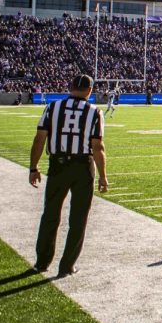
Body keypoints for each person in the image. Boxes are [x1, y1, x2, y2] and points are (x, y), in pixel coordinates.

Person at [29, 74, 107, 278]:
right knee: (78, 218)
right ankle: (67, 265)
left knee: (50, 214)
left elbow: (39, 139)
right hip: (83, 167)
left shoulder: (53, 108)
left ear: (70, 86)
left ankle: (42, 262)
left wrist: (33, 167)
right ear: (90, 90)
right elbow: (97, 147)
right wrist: (102, 176)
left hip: (58, 165)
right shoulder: (94, 112)